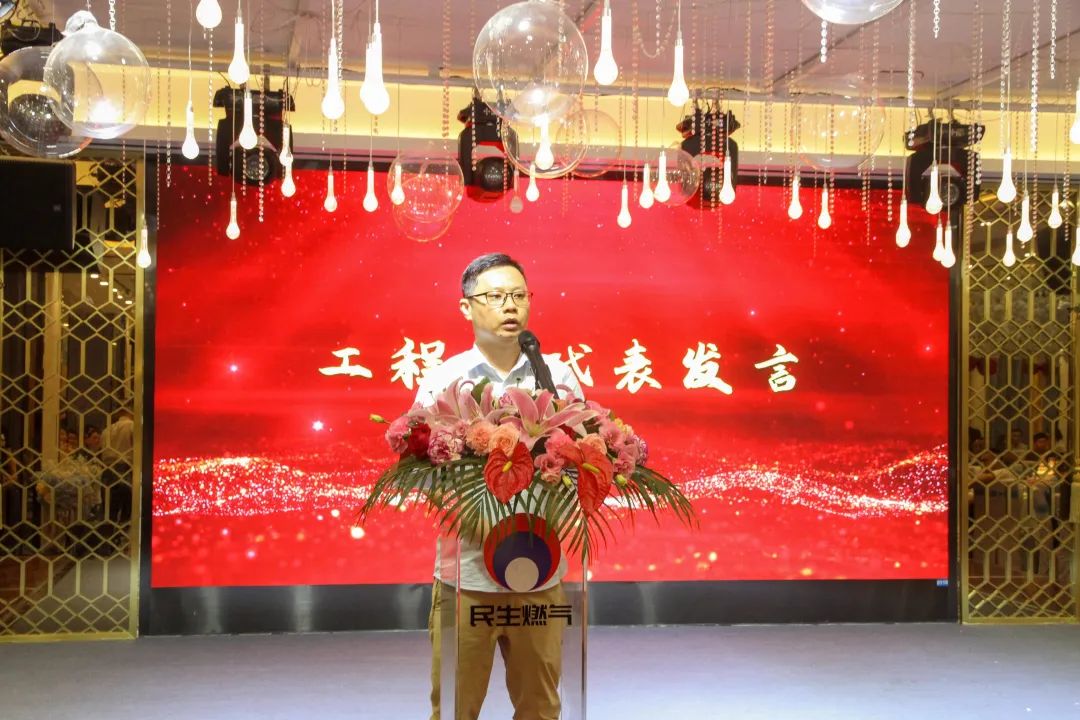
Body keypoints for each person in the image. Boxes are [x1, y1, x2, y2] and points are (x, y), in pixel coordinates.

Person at [414, 253, 584, 720]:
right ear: (466, 306)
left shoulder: (558, 377)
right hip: (467, 576)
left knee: (541, 707)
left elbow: (582, 456)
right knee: (455, 707)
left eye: (518, 295)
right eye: (495, 296)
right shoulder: (445, 379)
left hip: (539, 571)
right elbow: (420, 465)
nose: (510, 306)